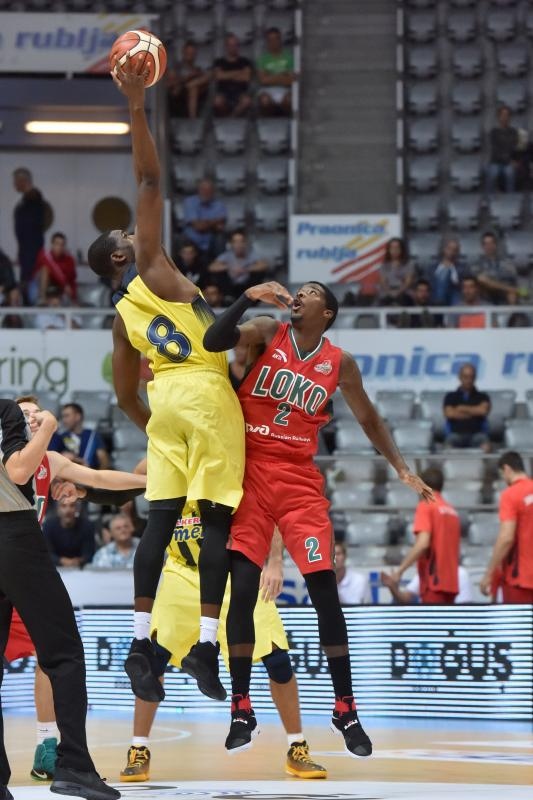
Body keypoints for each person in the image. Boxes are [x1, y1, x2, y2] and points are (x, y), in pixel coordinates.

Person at [87, 59, 289, 705]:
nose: (136, 230)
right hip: (204, 394)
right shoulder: (153, 266)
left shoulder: (120, 316)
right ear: (123, 255)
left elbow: (125, 395)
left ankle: (138, 643)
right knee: (215, 524)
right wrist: (137, 102)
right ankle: (204, 644)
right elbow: (149, 178)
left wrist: (156, 427)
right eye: (126, 234)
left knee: (159, 523)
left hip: (165, 403)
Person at [202, 280, 433, 754]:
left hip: (299, 481)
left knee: (325, 591)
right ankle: (241, 708)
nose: (300, 295)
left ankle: (345, 709)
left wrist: (401, 468)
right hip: (250, 473)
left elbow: (369, 419)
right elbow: (214, 340)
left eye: (310, 292)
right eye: (300, 290)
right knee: (241, 592)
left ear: (326, 313)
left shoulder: (339, 363)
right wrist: (246, 297)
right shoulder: (268, 330)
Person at [120, 475, 327, 781]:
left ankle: (297, 746)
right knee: (151, 661)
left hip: (233, 572)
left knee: (278, 660)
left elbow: (268, 506)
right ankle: (139, 749)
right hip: (182, 573)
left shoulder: (228, 461)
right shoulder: (168, 460)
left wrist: (274, 562)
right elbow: (137, 475)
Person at [8, 394, 146, 784]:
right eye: (23, 414)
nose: (33, 418)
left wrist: (151, 483)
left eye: (37, 413)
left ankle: (47, 743)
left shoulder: (49, 462)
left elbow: (100, 479)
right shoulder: (10, 461)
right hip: (9, 564)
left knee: (49, 652)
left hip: (22, 573)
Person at [387, 467, 461, 604]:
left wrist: (400, 571)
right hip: (451, 583)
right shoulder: (452, 512)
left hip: (434, 582)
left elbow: (422, 543)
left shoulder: (426, 505)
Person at [480, 451, 533, 603]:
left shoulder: (511, 494)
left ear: (507, 469)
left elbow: (506, 538)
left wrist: (489, 573)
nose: (503, 479)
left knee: (519, 620)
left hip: (522, 578)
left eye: (502, 474)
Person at [443, 363, 491, 450]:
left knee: (486, 447)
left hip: (477, 434)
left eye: (471, 377)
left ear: (475, 378)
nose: (469, 380)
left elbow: (483, 411)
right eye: (465, 377)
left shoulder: (483, 396)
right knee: (448, 446)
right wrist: (474, 412)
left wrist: (461, 408)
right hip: (456, 434)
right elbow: (450, 414)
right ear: (460, 377)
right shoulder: (450, 396)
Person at [12, 167, 46, 292]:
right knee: (25, 282)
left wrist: (27, 252)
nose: (14, 184)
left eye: (16, 181)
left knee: (28, 282)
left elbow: (31, 230)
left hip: (31, 251)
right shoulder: (25, 199)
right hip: (25, 249)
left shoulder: (34, 197)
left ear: (23, 181)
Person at [49, 402, 110, 469]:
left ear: (78, 416)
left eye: (67, 416)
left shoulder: (92, 435)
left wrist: (97, 474)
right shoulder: (61, 437)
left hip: (90, 472)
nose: (64, 420)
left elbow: (103, 459)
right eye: (63, 417)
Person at [209, 230, 269, 296]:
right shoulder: (227, 255)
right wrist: (230, 268)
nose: (239, 245)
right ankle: (228, 297)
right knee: (219, 275)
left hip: (247, 286)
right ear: (231, 244)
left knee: (259, 274)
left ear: (245, 243)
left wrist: (245, 269)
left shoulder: (251, 254)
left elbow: (264, 265)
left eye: (241, 241)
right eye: (235, 242)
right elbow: (212, 267)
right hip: (230, 286)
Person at [43, 496, 96, 568]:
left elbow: (89, 553)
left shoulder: (87, 526)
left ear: (77, 508)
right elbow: (47, 553)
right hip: (55, 568)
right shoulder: (48, 526)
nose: (68, 510)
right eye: (63, 506)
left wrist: (78, 561)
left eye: (72, 505)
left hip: (81, 569)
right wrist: (62, 561)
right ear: (58, 509)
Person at [182, 179, 227, 262]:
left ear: (213, 192)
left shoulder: (219, 205)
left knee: (220, 238)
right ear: (198, 190)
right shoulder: (189, 202)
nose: (205, 192)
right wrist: (215, 221)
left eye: (208, 190)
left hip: (211, 241)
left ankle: (220, 265)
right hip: (192, 240)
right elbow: (198, 227)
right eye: (203, 189)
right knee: (182, 240)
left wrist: (204, 223)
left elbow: (220, 227)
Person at [381, 564, 473, 604]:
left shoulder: (461, 573)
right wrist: (393, 588)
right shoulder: (425, 572)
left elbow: (464, 611)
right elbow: (405, 599)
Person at [471, 232, 518, 304]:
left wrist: (511, 289)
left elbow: (512, 279)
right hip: (486, 299)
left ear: (495, 245)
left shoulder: (507, 262)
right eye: (486, 244)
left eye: (491, 243)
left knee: (512, 294)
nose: (489, 246)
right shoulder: (477, 264)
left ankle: (512, 311)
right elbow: (483, 281)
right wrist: (510, 289)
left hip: (504, 297)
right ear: (482, 246)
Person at [31, 231, 77, 306]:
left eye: (62, 244)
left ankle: (53, 302)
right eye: (57, 244)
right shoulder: (45, 255)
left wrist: (74, 297)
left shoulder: (69, 260)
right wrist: (64, 284)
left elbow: (72, 280)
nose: (59, 247)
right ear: (52, 245)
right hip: (37, 288)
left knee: (62, 298)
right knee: (45, 269)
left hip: (57, 289)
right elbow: (53, 268)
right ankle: (42, 300)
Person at [257, 27, 295, 116]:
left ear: (280, 40)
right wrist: (282, 75)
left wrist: (270, 76)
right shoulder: (262, 59)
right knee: (264, 100)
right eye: (270, 40)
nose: (273, 42)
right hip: (267, 90)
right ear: (267, 42)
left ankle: (287, 121)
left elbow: (291, 80)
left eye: (276, 39)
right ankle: (269, 122)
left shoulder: (289, 58)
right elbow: (263, 80)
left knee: (289, 100)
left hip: (285, 90)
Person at [166, 40, 209, 119]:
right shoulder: (176, 67)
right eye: (188, 53)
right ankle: (192, 118)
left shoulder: (197, 69)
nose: (190, 56)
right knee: (191, 87)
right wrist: (187, 77)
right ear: (183, 52)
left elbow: (206, 78)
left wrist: (195, 81)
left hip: (195, 96)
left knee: (197, 85)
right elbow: (170, 84)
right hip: (177, 94)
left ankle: (194, 118)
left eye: (192, 53)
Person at [213, 34, 253, 117]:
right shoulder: (219, 62)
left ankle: (230, 118)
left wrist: (226, 75)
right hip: (223, 92)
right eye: (230, 45)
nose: (233, 48)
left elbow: (246, 77)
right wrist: (239, 72)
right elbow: (219, 76)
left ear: (238, 46)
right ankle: (230, 118)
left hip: (240, 92)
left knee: (247, 101)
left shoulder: (245, 61)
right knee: (217, 101)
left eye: (235, 45)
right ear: (226, 47)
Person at [486, 106, 518, 193]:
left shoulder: (514, 132)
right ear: (499, 117)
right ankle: (489, 196)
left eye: (507, 115)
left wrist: (515, 160)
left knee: (510, 173)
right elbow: (496, 150)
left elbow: (515, 148)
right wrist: (509, 160)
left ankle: (510, 197)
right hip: (496, 161)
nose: (505, 118)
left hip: (509, 162)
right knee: (493, 173)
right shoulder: (494, 132)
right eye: (503, 115)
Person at [377, 237, 415, 306]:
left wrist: (398, 292)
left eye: (397, 248)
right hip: (387, 293)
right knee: (382, 301)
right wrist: (390, 292)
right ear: (388, 250)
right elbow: (383, 282)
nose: (395, 250)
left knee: (405, 299)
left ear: (402, 249)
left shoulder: (409, 264)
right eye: (392, 248)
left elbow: (408, 282)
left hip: (404, 293)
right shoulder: (384, 266)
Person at [427, 238, 464, 306]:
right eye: (449, 249)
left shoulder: (463, 268)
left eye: (455, 250)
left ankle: (440, 303)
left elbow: (464, 285)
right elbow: (427, 284)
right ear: (444, 249)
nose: (452, 252)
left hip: (455, 293)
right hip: (434, 293)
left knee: (447, 274)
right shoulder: (432, 268)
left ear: (457, 252)